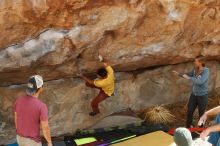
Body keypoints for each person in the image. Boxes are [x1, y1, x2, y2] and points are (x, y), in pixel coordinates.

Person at [14, 75, 52, 146]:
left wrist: (19, 133)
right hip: (32, 142)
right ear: (40, 89)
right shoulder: (41, 106)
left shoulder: (18, 101)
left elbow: (16, 119)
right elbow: (45, 127)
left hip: (19, 138)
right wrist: (49, 142)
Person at [173, 56, 209, 128]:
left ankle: (200, 130)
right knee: (189, 112)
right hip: (194, 95)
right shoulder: (195, 69)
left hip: (202, 96)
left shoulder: (206, 71)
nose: (194, 62)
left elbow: (200, 82)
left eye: (196, 61)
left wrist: (189, 78)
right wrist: (179, 74)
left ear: (200, 62)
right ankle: (188, 127)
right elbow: (188, 74)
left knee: (201, 114)